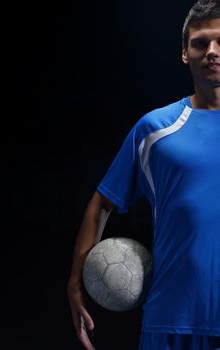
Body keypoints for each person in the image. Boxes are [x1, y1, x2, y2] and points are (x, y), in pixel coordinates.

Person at [67, 0, 220, 349]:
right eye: (200, 43)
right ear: (185, 53)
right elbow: (101, 203)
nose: (212, 51)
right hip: (171, 320)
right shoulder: (156, 129)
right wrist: (75, 283)